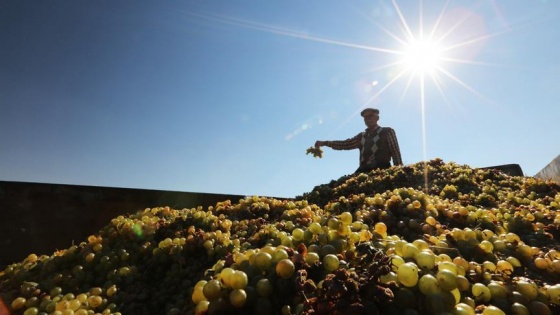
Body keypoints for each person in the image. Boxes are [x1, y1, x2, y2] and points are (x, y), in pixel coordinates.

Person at [314, 108, 403, 173]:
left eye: (371, 116)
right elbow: (345, 144)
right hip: (363, 171)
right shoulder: (362, 136)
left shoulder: (387, 132)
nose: (368, 118)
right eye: (366, 117)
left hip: (382, 169)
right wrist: (325, 143)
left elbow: (395, 151)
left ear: (377, 118)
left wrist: (399, 172)